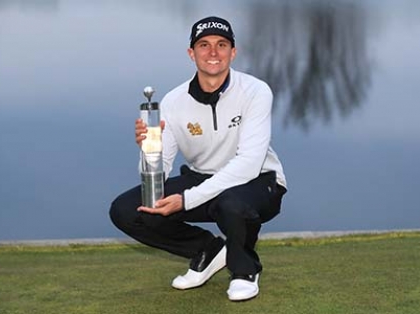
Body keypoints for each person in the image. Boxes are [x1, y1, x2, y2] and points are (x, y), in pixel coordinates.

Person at [109, 16, 287, 302]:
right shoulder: (173, 101)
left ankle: (244, 270)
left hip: (258, 181)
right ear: (191, 53)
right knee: (127, 210)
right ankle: (208, 250)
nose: (213, 53)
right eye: (204, 45)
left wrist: (187, 199)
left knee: (232, 203)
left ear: (233, 52)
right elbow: (159, 169)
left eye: (221, 45)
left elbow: (249, 163)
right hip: (201, 178)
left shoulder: (255, 91)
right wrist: (147, 150)